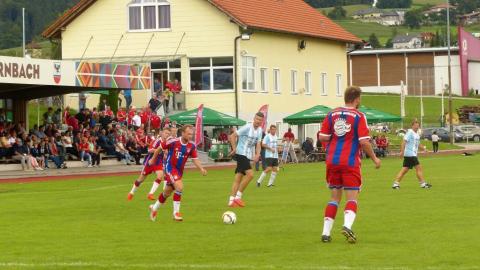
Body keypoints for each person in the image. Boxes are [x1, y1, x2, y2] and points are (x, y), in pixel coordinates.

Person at [318, 86, 381, 244]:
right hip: (350, 162)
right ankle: (347, 225)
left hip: (332, 161)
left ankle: (326, 233)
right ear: (357, 99)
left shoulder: (331, 114)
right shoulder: (359, 116)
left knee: (334, 197)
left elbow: (323, 137)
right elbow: (364, 142)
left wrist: (336, 137)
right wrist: (374, 158)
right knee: (352, 197)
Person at [149, 125, 207, 222]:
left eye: (191, 134)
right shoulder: (173, 141)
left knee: (167, 193)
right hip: (170, 168)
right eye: (188, 134)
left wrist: (201, 169)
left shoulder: (191, 145)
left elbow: (195, 159)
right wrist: (153, 159)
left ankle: (154, 208)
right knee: (179, 187)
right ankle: (176, 213)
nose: (190, 136)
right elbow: (159, 148)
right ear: (183, 133)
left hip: (179, 171)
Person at [228, 112, 264, 207]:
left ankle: (231, 201)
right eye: (256, 119)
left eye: (260, 120)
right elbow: (232, 136)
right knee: (251, 175)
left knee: (238, 178)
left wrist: (257, 154)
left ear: (262, 121)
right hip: (241, 153)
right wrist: (234, 148)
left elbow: (258, 144)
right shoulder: (247, 127)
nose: (258, 121)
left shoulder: (260, 130)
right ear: (254, 118)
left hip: (247, 156)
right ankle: (238, 197)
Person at [127, 128, 171, 201]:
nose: (167, 135)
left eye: (168, 134)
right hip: (150, 161)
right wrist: (158, 150)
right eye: (166, 133)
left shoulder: (167, 143)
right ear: (162, 133)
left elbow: (166, 153)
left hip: (158, 162)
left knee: (160, 176)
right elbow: (149, 150)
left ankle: (150, 194)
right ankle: (131, 192)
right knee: (140, 180)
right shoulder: (157, 141)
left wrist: (166, 154)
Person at [392, 119, 432, 190]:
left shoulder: (416, 134)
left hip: (411, 154)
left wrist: (424, 149)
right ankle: (423, 184)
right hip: (410, 154)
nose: (417, 127)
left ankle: (395, 184)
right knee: (419, 168)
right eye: (415, 126)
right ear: (412, 126)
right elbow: (404, 141)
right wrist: (402, 151)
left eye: (418, 126)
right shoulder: (410, 132)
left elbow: (418, 144)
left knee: (404, 170)